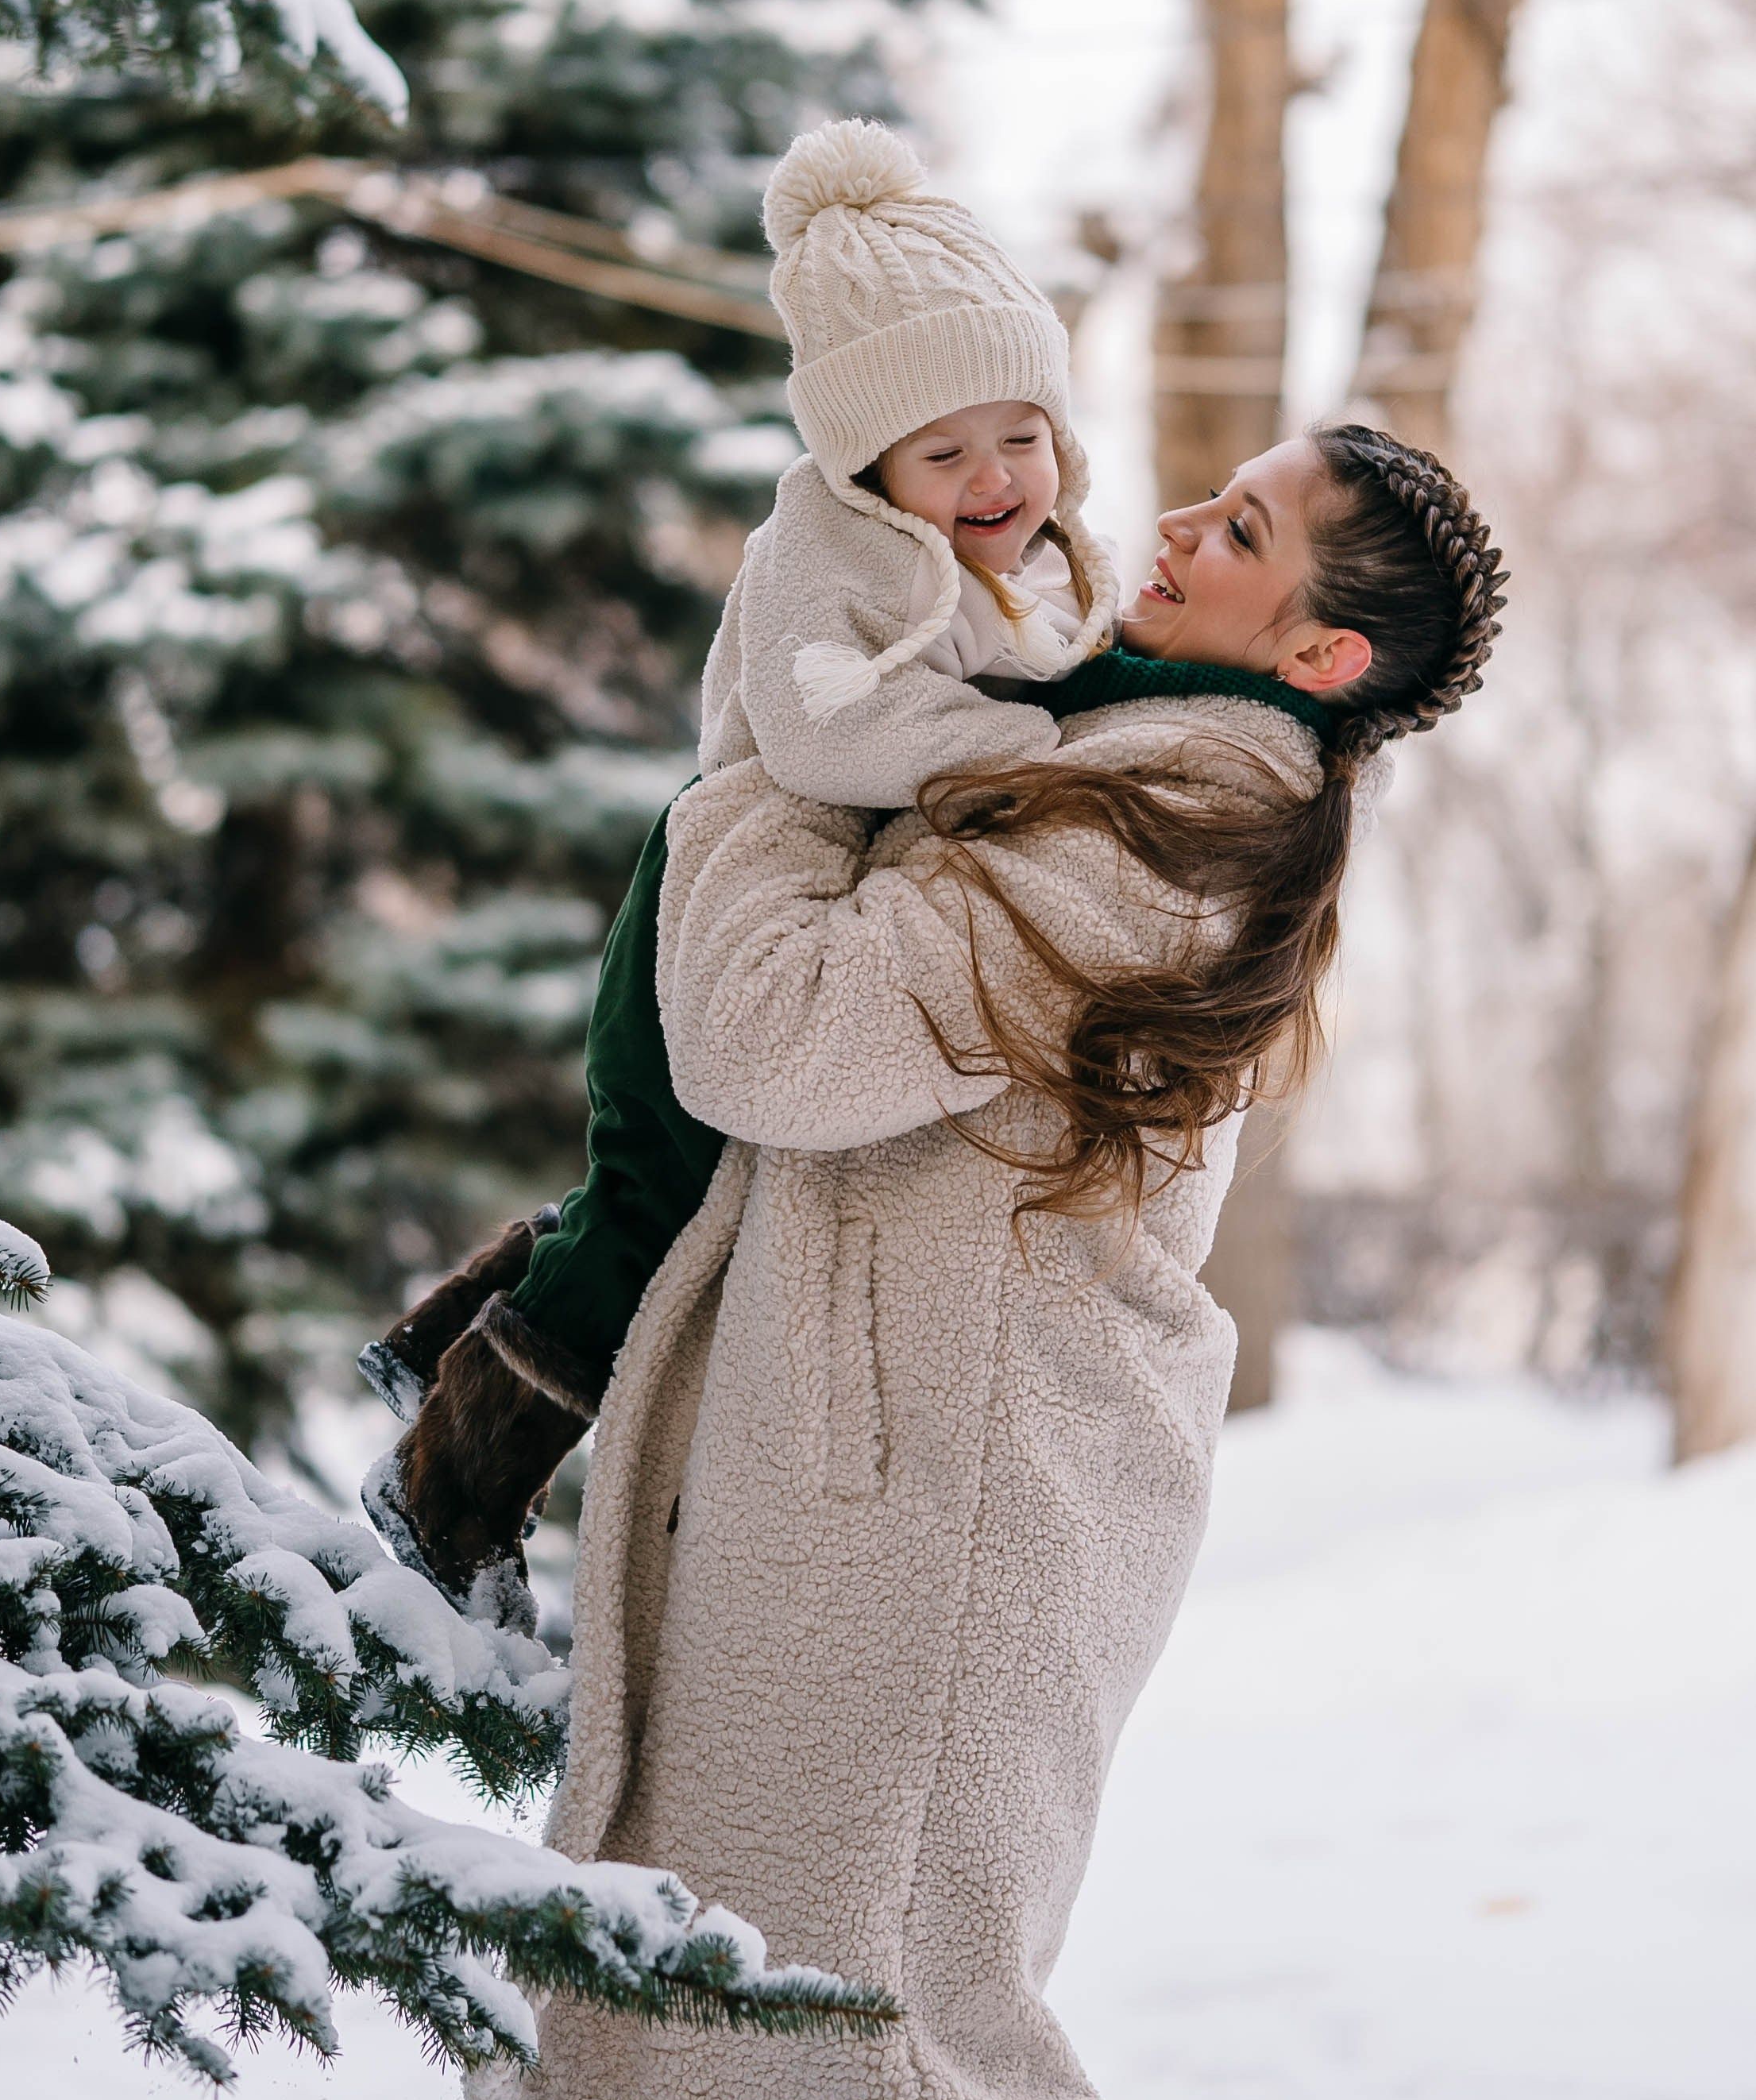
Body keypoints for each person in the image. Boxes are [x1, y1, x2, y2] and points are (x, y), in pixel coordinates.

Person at [374, 123, 1507, 2100]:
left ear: (1317, 645)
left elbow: (774, 1029)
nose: (1180, 514)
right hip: (844, 1469)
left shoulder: (1181, 815)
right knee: (723, 2091)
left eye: (1246, 526)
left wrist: (749, 761)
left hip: (932, 1518)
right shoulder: (1112, 731)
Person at [360, 124, 1349, 1613]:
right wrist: (1024, 756)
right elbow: (834, 738)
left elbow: (1007, 678)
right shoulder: (837, 548)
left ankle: (432, 1347)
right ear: (867, 462)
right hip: (699, 896)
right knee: (652, 1201)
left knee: (646, 1193)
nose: (994, 478)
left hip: (770, 881)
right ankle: (449, 1489)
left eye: (1020, 435)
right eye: (944, 454)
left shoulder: (1008, 551)